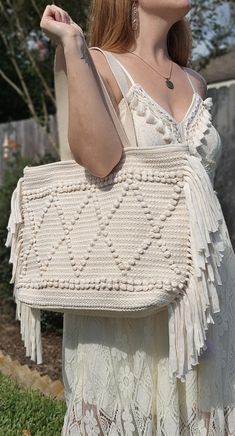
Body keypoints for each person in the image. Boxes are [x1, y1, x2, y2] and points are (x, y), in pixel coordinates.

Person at [40, 1, 235, 434]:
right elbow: (99, 160)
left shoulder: (196, 81)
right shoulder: (101, 64)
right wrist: (74, 44)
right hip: (129, 289)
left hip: (204, 290)